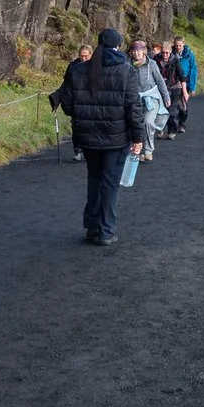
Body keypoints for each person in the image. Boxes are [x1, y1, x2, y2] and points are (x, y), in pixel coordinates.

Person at [52, 29, 145, 246]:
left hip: (88, 136)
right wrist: (139, 138)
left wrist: (83, 116)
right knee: (110, 183)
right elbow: (134, 107)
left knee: (94, 179)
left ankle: (92, 227)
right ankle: (106, 230)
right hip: (116, 136)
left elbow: (67, 103)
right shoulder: (126, 70)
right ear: (118, 46)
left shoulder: (81, 69)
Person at [132, 39, 169, 160]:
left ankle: (148, 150)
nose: (136, 53)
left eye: (139, 51)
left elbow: (160, 81)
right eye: (134, 51)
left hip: (151, 98)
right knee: (137, 125)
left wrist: (166, 97)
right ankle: (138, 150)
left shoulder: (151, 64)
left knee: (148, 122)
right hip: (135, 100)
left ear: (144, 51)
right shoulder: (127, 65)